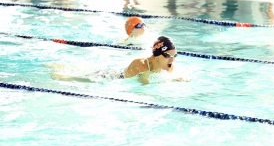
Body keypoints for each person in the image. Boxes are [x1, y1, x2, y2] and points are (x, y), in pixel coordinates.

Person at [46, 36, 187, 84]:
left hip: (116, 77)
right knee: (78, 78)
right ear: (157, 55)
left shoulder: (169, 67)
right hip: (111, 78)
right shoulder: (140, 64)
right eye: (168, 55)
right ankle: (58, 72)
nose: (172, 59)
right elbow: (144, 84)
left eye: (175, 55)